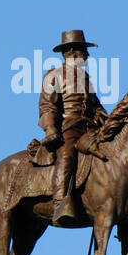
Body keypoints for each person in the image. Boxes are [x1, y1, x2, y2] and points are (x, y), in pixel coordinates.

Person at [38, 29, 108, 227]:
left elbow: (96, 105)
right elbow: (47, 105)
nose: (87, 55)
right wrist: (51, 129)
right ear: (73, 53)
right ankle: (61, 203)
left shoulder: (86, 79)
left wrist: (110, 121)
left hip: (90, 128)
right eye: (84, 51)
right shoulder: (54, 76)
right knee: (67, 156)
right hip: (68, 128)